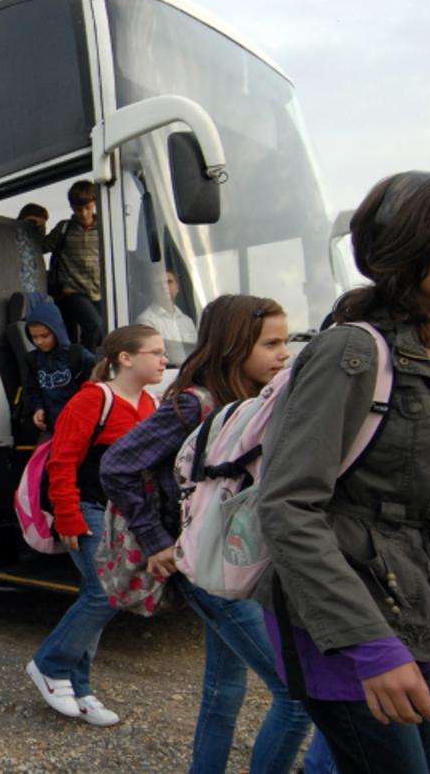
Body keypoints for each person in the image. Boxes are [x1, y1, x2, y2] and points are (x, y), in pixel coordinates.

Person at [257, 171, 430, 774]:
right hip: (343, 626)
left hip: (404, 605)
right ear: (414, 244)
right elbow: (286, 507)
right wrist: (370, 647)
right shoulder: (353, 352)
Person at [100, 294, 309, 773]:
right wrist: (155, 540)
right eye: (272, 343)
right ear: (236, 346)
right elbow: (117, 465)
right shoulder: (194, 406)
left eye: (286, 341)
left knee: (222, 687)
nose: (285, 353)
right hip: (205, 566)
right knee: (296, 696)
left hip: (234, 563)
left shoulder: (253, 402)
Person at [27, 325, 163, 727]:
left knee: (97, 595)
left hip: (124, 516)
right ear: (125, 358)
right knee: (105, 594)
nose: (163, 359)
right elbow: (62, 461)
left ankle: (80, 690)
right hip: (88, 510)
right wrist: (66, 514)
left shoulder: (150, 404)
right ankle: (48, 664)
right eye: (154, 352)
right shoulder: (93, 400)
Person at [44, 181, 103, 350]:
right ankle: (86, 367)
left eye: (88, 208)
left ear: (94, 205)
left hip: (98, 291)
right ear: (71, 207)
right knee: (94, 325)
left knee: (102, 333)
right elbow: (41, 246)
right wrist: (36, 226)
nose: (84, 214)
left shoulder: (105, 228)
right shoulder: (65, 228)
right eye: (79, 210)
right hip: (73, 291)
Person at [23, 298, 95, 435]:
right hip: (52, 427)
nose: (39, 342)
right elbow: (32, 389)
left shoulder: (78, 355)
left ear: (57, 331)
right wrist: (38, 408)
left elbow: (95, 387)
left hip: (81, 426)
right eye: (34, 337)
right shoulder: (32, 359)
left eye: (44, 336)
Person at [136, 271, 198, 365]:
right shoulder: (146, 320)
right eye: (158, 284)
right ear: (152, 290)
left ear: (177, 287)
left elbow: (195, 351)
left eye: (169, 282)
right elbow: (152, 356)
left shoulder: (187, 321)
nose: (164, 287)